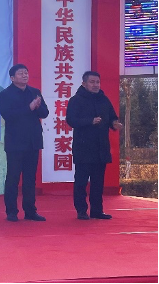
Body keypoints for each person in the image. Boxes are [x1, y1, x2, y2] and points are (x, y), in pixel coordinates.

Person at [65, 71, 122, 220]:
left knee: (98, 182)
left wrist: (114, 124)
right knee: (81, 181)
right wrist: (90, 121)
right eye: (92, 82)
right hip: (83, 147)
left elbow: (112, 117)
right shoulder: (76, 100)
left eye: (97, 82)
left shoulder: (104, 99)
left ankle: (97, 210)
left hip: (101, 147)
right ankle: (81, 210)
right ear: (84, 84)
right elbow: (71, 120)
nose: (95, 85)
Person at [0, 63, 49, 222]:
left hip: (33, 141)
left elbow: (45, 113)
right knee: (13, 178)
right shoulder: (5, 94)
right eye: (21, 73)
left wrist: (38, 107)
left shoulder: (34, 92)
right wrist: (29, 107)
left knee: (30, 179)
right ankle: (11, 212)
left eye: (26, 73)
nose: (25, 75)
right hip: (15, 142)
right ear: (12, 78)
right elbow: (8, 115)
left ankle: (30, 211)